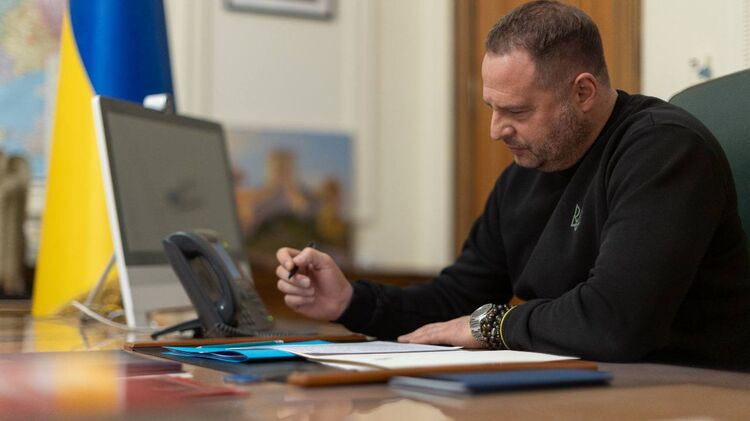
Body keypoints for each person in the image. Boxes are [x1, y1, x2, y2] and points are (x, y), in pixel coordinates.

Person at [275, 0, 750, 369]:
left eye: (517, 111)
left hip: (692, 391)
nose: (496, 130)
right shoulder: (524, 174)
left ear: (583, 92)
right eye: (492, 108)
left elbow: (613, 321)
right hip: (588, 385)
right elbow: (455, 302)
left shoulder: (663, 149)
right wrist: (349, 301)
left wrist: (491, 326)